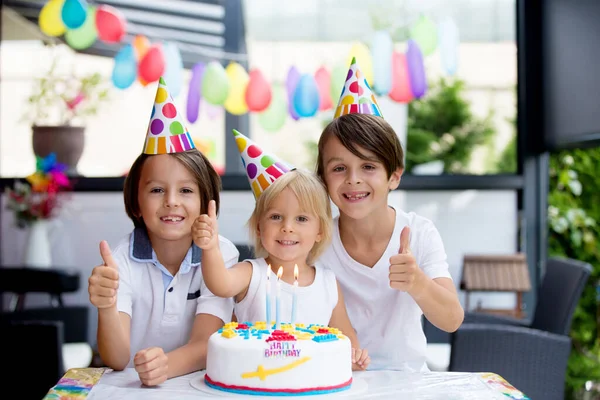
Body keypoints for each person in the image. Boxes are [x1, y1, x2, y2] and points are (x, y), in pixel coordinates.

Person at [87, 77, 239, 386]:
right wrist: (106, 306)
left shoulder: (220, 255)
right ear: (136, 204)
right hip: (133, 389)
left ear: (205, 201)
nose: (171, 202)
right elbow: (116, 358)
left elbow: (205, 343)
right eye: (157, 190)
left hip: (199, 387)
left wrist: (164, 366)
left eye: (185, 190)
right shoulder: (121, 261)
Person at [316, 58, 464, 371]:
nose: (353, 179)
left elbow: (452, 320)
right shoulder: (316, 241)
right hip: (337, 383)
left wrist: (417, 282)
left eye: (368, 167)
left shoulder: (420, 233)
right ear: (323, 179)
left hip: (407, 383)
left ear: (394, 176)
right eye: (339, 168)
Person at [193, 129, 370, 371]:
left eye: (301, 219)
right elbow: (220, 283)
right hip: (254, 383)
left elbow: (346, 339)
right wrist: (211, 247)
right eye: (276, 217)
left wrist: (355, 357)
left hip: (311, 386)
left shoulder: (328, 283)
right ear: (258, 226)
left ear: (320, 230)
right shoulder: (250, 274)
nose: (287, 228)